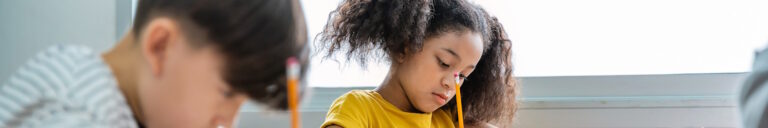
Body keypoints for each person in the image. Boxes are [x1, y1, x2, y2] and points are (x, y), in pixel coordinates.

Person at [0, 0, 309, 127]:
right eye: (227, 93)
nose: (227, 122)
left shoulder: (124, 104)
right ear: (160, 46)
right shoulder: (78, 114)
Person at [317, 0, 517, 127]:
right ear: (404, 46)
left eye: (463, 75)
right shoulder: (358, 109)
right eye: (444, 63)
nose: (452, 83)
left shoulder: (447, 121)